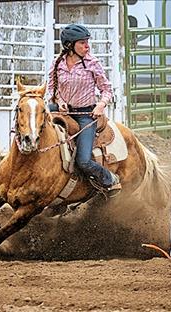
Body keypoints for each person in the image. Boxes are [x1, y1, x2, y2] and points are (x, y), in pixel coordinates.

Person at [47, 23, 121, 196]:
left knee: (84, 160)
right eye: (82, 43)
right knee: (35, 117)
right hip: (63, 109)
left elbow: (106, 90)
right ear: (70, 46)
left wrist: (101, 105)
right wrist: (59, 100)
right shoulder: (57, 64)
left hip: (85, 114)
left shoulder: (92, 63)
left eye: (87, 42)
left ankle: (109, 179)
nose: (87, 46)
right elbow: (52, 89)